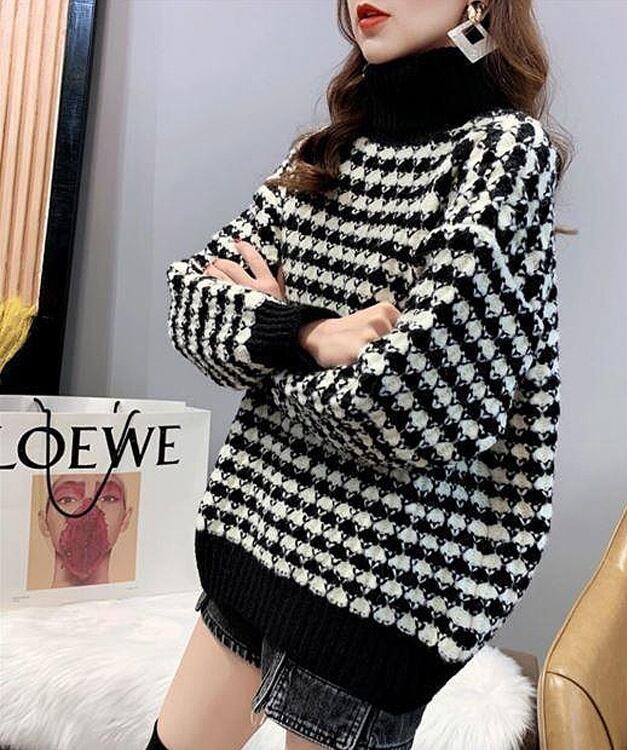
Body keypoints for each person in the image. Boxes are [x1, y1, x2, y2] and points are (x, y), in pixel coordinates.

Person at [152, 0, 572, 748]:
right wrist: (309, 335)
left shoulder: (503, 153)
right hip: (254, 536)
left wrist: (269, 354)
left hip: (382, 588)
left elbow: (411, 403)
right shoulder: (326, 150)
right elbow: (190, 302)